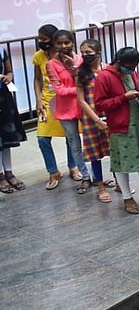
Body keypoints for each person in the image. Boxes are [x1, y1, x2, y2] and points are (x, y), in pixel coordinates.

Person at [94, 47, 139, 214]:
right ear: (119, 62)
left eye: (134, 66)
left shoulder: (131, 73)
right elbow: (100, 104)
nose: (132, 69)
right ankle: (127, 197)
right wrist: (123, 98)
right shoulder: (104, 77)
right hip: (121, 125)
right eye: (130, 66)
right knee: (122, 161)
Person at [32, 23, 79, 190]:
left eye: (44, 39)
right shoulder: (39, 56)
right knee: (42, 138)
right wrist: (38, 100)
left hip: (66, 100)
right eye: (39, 39)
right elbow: (37, 79)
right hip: (47, 100)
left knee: (70, 135)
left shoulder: (68, 56)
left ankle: (73, 166)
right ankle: (53, 171)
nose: (41, 42)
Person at [46, 30, 91, 195]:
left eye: (67, 42)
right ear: (54, 45)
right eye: (59, 43)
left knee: (92, 141)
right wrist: (79, 89)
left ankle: (98, 176)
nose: (64, 46)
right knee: (74, 143)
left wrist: (74, 68)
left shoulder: (80, 59)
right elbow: (59, 90)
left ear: (73, 43)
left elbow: (89, 80)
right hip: (65, 110)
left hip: (85, 106)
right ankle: (85, 176)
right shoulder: (51, 64)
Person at [74, 39, 116, 203]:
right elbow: (81, 100)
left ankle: (120, 182)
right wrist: (97, 120)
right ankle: (100, 187)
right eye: (83, 52)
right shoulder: (81, 73)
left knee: (115, 150)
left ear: (98, 53)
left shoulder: (108, 69)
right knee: (94, 154)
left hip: (110, 114)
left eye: (88, 52)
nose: (85, 55)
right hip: (91, 118)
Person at [0, 42, 27, 193]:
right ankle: (0, 176)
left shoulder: (1, 50)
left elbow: (9, 71)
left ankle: (9, 172)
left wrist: (8, 77)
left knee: (6, 137)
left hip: (3, 98)